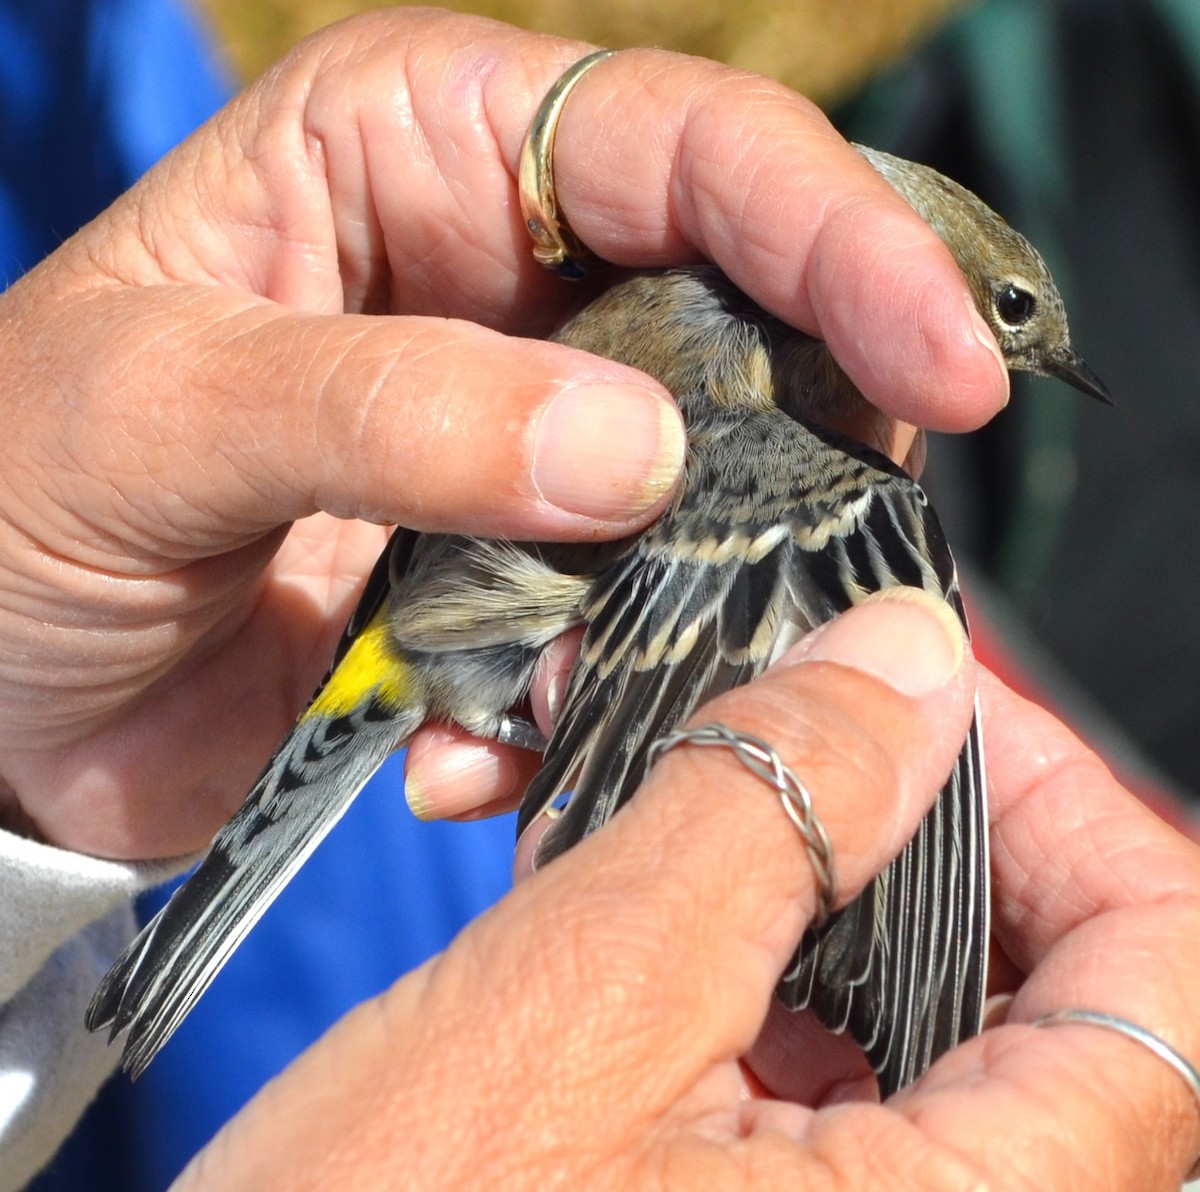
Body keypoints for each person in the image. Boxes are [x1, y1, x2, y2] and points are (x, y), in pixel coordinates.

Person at [1, 7, 1196, 1187]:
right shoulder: (820, 450)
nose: (1024, 351)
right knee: (883, 536)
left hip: (414, 621)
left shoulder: (756, 335)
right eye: (1014, 316)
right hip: (448, 634)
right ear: (945, 259)